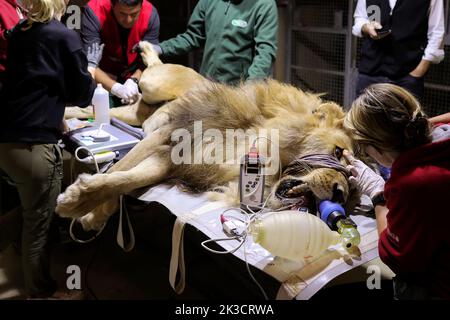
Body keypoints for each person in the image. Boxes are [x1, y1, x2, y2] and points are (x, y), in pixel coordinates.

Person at [0, 0, 98, 299]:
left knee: (21, 212)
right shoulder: (63, 35)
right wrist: (90, 71)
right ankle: (40, 293)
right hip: (34, 148)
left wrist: (55, 114)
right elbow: (83, 95)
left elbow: (32, 83)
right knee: (39, 226)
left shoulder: (19, 31)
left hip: (7, 141)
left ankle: (24, 268)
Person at [344, 83, 450, 300]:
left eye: (366, 150)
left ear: (376, 148)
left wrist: (378, 193)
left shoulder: (413, 183)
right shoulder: (443, 135)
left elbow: (397, 257)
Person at [154, 0, 278, 84]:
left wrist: (251, 87)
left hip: (237, 91)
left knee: (228, 124)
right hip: (206, 84)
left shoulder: (264, 4)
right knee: (197, 122)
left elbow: (265, 52)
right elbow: (193, 36)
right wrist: (161, 48)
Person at [352, 0, 446, 100]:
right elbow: (360, 18)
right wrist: (365, 27)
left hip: (406, 77)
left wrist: (418, 72)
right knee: (365, 115)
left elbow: (437, 32)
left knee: (405, 116)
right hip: (369, 73)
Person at [81, 0, 160, 106]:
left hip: (135, 75)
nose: (128, 20)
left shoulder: (150, 14)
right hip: (103, 76)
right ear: (112, 5)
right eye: (122, 14)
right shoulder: (94, 11)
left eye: (134, 14)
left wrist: (134, 80)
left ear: (141, 7)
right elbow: (90, 62)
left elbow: (150, 58)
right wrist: (117, 88)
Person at [0, 0, 24, 92]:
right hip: (3, 73)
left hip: (21, 72)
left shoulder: (23, 6)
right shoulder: (2, 4)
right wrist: (9, 33)